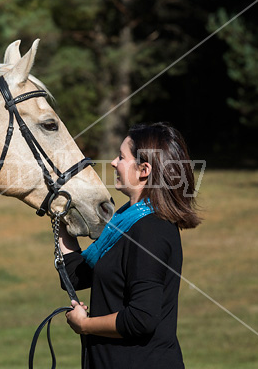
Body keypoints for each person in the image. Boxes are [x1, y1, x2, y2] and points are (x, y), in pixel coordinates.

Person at [58, 122, 201, 368]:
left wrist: (85, 325)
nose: (113, 162)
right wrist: (59, 213)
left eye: (122, 157)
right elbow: (74, 276)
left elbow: (141, 318)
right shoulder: (124, 222)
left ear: (144, 169)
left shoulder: (151, 230)